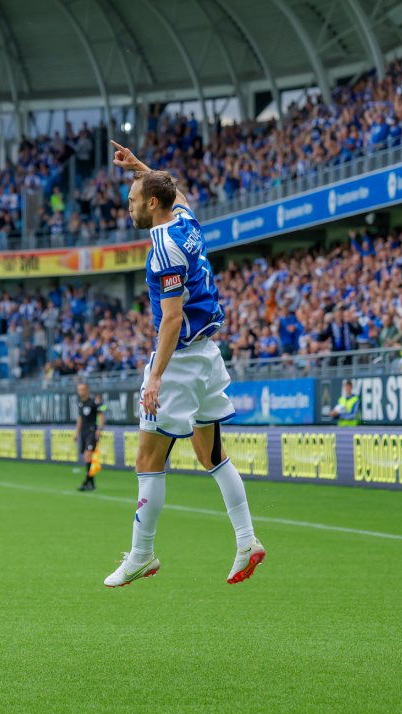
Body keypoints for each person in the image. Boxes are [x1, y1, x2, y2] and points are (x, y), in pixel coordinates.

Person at [103, 141, 265, 589]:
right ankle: (247, 539)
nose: (128, 206)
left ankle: (142, 554)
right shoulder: (185, 220)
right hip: (209, 356)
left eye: (133, 200)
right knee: (211, 454)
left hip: (180, 361)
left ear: (152, 204)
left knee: (148, 459)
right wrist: (140, 168)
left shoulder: (163, 247)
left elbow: (172, 317)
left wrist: (155, 378)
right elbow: (178, 194)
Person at [74, 382, 104, 492]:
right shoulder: (81, 403)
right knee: (87, 457)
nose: (80, 391)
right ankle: (91, 483)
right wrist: (76, 432)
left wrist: (99, 429)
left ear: (87, 390)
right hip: (84, 431)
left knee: (88, 455)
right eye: (79, 389)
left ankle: (87, 481)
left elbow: (101, 416)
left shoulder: (93, 402)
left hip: (92, 430)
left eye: (82, 389)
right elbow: (80, 419)